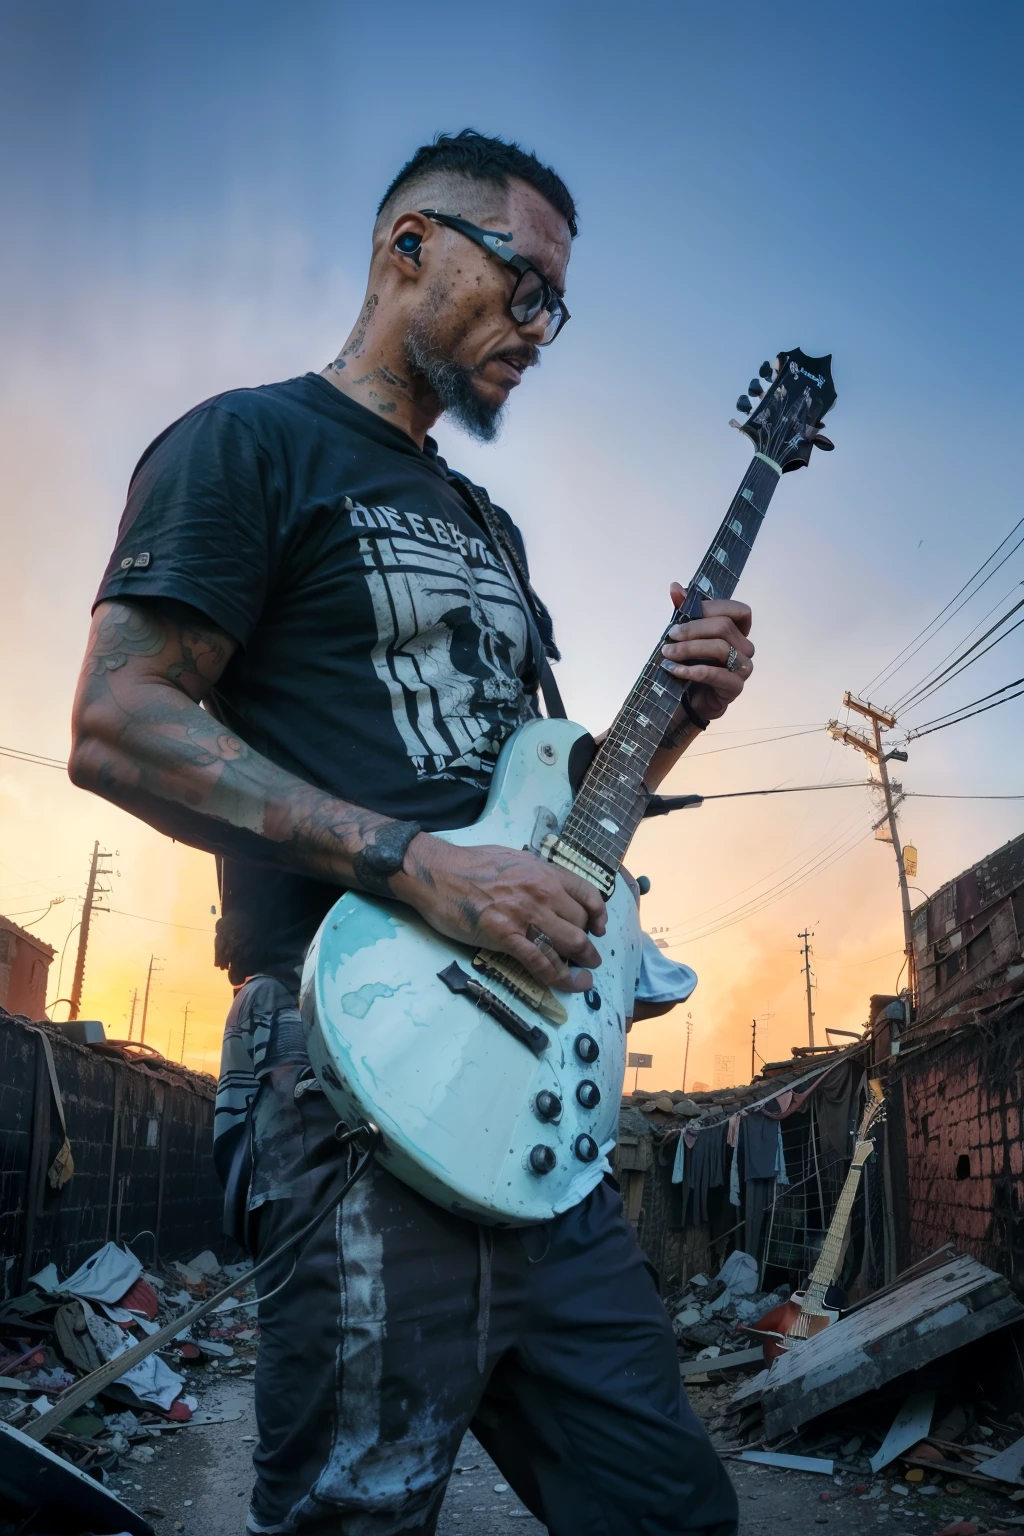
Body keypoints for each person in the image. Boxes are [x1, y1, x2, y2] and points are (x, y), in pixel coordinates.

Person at [70, 130, 754, 1536]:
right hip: (345, 1053)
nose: (541, 330)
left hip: (530, 1098)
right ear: (410, 248)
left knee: (673, 1512)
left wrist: (670, 723)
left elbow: (537, 806)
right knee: (355, 1517)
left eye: (559, 306)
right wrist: (415, 865)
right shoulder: (246, 441)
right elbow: (121, 720)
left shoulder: (488, 530)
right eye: (525, 286)